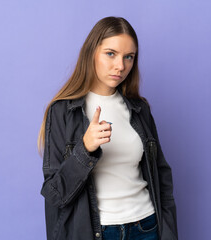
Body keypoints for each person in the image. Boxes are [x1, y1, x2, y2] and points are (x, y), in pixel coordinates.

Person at [38, 16, 178, 240]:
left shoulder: (139, 110)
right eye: (110, 54)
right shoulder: (63, 111)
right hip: (100, 232)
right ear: (92, 52)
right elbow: (55, 194)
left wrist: (169, 233)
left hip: (147, 227)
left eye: (128, 57)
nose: (120, 66)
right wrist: (85, 149)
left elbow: (162, 179)